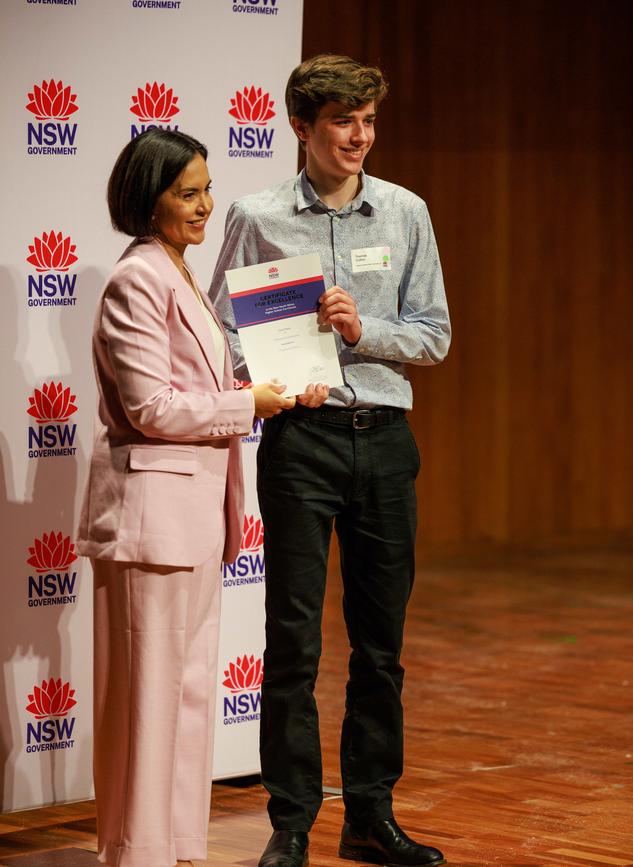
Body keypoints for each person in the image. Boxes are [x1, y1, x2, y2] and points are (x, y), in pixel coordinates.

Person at [210, 55, 451, 867]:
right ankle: (290, 821)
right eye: (344, 122)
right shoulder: (257, 214)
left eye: (370, 121)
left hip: (383, 438)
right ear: (302, 127)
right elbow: (223, 335)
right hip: (302, 443)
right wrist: (268, 381)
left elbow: (435, 335)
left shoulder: (405, 212)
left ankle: (370, 813)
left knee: (381, 643)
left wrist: (362, 332)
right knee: (294, 639)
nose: (360, 137)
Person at [76, 128, 295, 867]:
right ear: (150, 197)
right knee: (146, 701)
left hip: (194, 519)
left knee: (188, 692)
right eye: (187, 193)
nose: (206, 206)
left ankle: (172, 846)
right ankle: (136, 852)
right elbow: (152, 408)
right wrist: (247, 405)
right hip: (150, 522)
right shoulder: (138, 277)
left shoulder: (181, 272)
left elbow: (192, 392)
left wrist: (267, 390)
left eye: (207, 189)